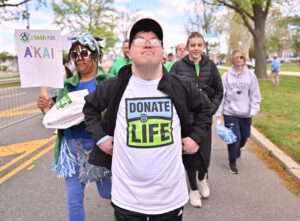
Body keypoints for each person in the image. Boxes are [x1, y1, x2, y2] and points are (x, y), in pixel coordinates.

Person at [83, 18, 212, 220]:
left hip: (170, 200)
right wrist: (100, 138)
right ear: (129, 51)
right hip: (127, 200)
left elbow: (205, 108)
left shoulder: (180, 86)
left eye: (154, 40)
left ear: (161, 51)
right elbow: (90, 108)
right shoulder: (115, 87)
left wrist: (196, 138)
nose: (148, 43)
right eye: (140, 40)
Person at [37, 32, 113, 221]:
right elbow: (56, 118)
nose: (79, 58)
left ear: (95, 54)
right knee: (74, 200)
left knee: (109, 194)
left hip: (101, 148)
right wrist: (46, 108)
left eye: (84, 53)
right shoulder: (67, 86)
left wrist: (103, 114)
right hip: (71, 149)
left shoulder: (109, 81)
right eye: (74, 54)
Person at [170, 32, 223, 208]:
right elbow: (170, 91)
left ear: (204, 47)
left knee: (205, 156)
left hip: (204, 120)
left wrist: (210, 112)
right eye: (193, 45)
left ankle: (202, 179)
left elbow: (219, 91)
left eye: (199, 45)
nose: (196, 48)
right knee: (190, 156)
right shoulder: (178, 67)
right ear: (187, 47)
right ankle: (193, 190)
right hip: (186, 121)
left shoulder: (211, 66)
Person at [215, 49, 261, 174]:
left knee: (244, 137)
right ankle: (232, 161)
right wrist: (218, 113)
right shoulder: (226, 76)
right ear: (232, 60)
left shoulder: (251, 76)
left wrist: (254, 109)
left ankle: (238, 148)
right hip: (230, 113)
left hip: (245, 114)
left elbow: (255, 94)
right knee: (233, 137)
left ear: (244, 59)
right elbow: (221, 95)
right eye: (236, 57)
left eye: (241, 57)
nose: (239, 59)